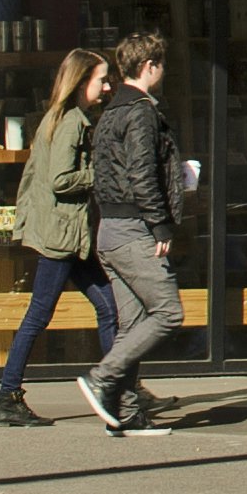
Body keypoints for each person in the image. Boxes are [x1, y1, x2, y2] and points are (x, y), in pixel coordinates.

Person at [0, 49, 117, 428]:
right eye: (102, 80)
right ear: (82, 83)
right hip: (61, 237)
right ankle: (8, 395)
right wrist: (102, 173)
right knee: (39, 314)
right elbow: (61, 180)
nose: (108, 86)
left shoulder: (62, 119)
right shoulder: (70, 124)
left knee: (109, 306)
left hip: (67, 235)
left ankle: (117, 387)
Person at [80, 31, 187, 436]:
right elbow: (142, 173)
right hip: (133, 229)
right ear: (150, 67)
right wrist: (160, 222)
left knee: (132, 323)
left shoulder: (110, 111)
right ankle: (102, 378)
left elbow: (111, 171)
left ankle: (124, 412)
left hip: (108, 228)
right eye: (161, 65)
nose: (162, 71)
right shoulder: (141, 111)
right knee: (167, 312)